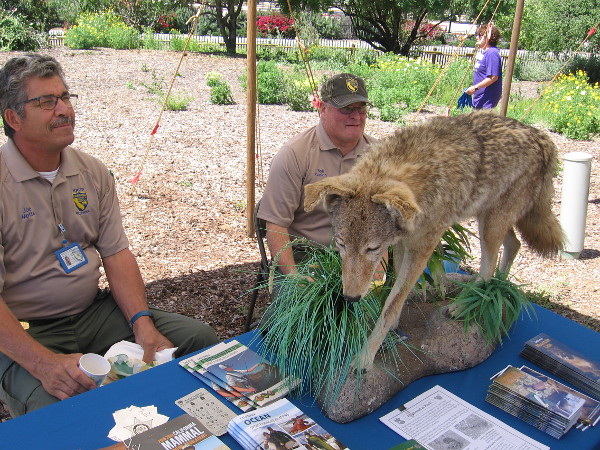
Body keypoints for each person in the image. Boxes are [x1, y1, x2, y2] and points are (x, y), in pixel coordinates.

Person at [0, 54, 219, 417]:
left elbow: (116, 254)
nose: (64, 110)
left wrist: (142, 323)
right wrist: (42, 364)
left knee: (199, 341)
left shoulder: (91, 171)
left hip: (94, 312)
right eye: (46, 102)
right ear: (13, 118)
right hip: (29, 330)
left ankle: (177, 432)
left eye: (66, 97)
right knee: (62, 411)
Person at [257, 73, 377, 275]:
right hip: (304, 257)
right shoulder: (295, 154)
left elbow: (383, 223)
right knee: (302, 305)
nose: (356, 116)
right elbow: (276, 225)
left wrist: (377, 278)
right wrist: (296, 280)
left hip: (361, 256)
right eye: (346, 109)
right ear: (322, 108)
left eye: (361, 108)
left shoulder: (378, 155)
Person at [465, 24, 502, 109]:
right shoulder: (485, 53)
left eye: (479, 35)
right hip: (480, 97)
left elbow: (493, 77)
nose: (476, 38)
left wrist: (475, 87)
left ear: (487, 37)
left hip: (487, 98)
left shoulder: (492, 53)